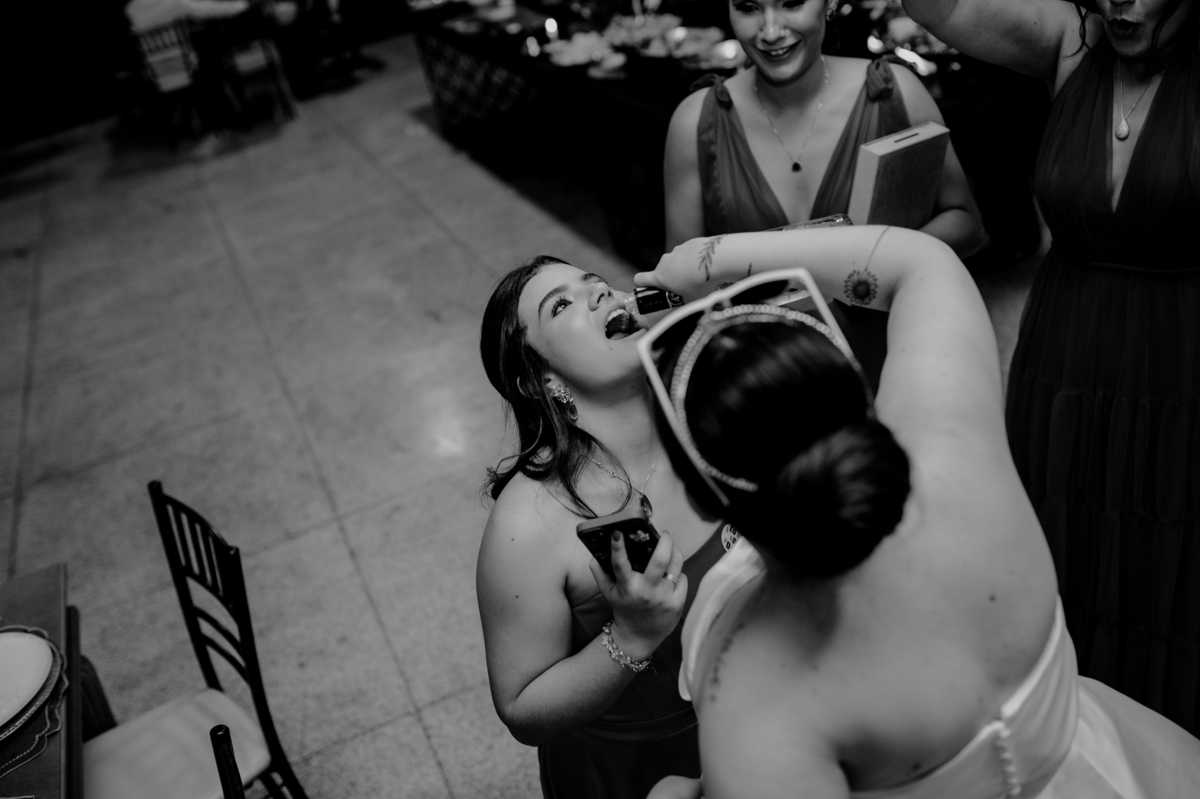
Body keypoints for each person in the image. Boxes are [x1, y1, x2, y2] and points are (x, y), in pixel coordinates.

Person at [633, 226, 1200, 799]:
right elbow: (921, 262)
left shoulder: (754, 693)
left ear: (702, 498)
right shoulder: (952, 445)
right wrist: (710, 260)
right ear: (855, 389)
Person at [900, 0, 1200, 733]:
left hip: (1182, 363)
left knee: (1169, 567)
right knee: (1061, 548)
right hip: (1065, 356)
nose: (1119, 3)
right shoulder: (1073, 42)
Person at [477, 257, 734, 799]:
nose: (600, 294)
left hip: (761, 712)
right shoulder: (529, 523)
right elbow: (522, 710)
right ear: (539, 378)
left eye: (595, 283)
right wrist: (632, 634)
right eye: (561, 305)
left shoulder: (713, 417)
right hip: (638, 766)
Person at [663, 0, 984, 388]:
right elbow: (678, 294)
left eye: (792, 3)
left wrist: (873, 263)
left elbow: (967, 224)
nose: (770, 31)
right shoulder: (695, 122)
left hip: (886, 359)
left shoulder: (894, 92)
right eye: (748, 7)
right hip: (762, 377)